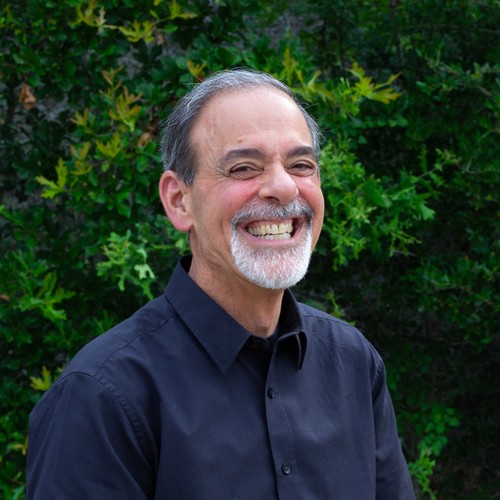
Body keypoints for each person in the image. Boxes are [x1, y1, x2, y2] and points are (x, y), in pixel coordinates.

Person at [27, 69, 415, 499]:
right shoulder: (102, 395)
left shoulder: (354, 363)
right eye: (244, 167)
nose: (283, 188)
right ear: (179, 200)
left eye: (301, 165)